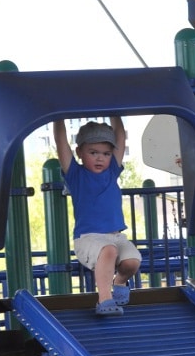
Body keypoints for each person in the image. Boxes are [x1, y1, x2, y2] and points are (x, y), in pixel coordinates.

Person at [53, 116, 141, 316]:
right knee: (108, 251)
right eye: (93, 153)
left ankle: (119, 281)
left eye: (106, 153)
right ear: (80, 153)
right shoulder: (76, 175)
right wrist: (57, 116)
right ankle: (104, 300)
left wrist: (115, 112)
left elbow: (120, 137)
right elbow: (61, 142)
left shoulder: (112, 172)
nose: (100, 158)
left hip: (116, 236)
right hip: (89, 238)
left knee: (132, 262)